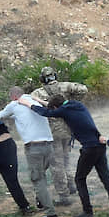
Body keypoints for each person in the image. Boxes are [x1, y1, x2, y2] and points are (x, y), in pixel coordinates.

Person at [20, 94, 109, 217]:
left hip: (89, 149)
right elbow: (55, 109)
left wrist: (28, 104)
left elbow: (46, 112)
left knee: (79, 179)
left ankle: (87, 212)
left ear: (57, 106)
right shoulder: (76, 104)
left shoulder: (64, 110)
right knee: (106, 179)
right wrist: (39, 100)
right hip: (99, 145)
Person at [0, 86, 60, 217]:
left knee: (37, 179)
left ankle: (51, 214)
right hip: (49, 145)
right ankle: (41, 200)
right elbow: (20, 115)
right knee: (42, 175)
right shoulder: (34, 102)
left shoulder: (14, 104)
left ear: (14, 96)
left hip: (34, 148)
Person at [30, 66, 87, 203]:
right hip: (68, 129)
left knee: (56, 165)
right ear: (55, 75)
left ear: (42, 79)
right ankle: (72, 185)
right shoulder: (66, 86)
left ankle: (63, 195)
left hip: (52, 132)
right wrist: (73, 102)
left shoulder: (38, 93)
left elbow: (31, 103)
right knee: (66, 160)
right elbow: (83, 89)